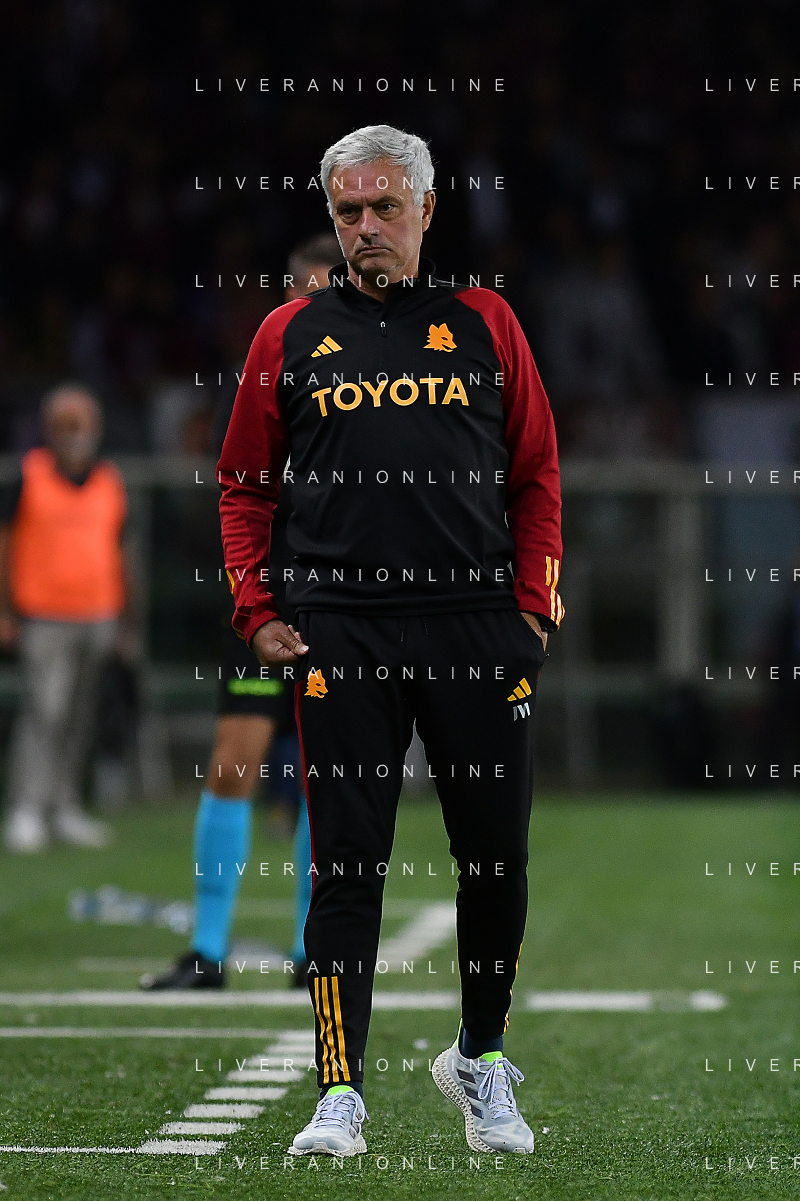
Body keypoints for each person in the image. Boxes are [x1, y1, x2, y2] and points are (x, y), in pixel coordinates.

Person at [218, 125, 564, 1157]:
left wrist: (533, 608)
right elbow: (242, 484)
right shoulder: (286, 334)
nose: (365, 227)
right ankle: (339, 1090)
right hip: (341, 631)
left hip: (475, 626)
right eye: (347, 212)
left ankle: (481, 1057)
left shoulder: (486, 322)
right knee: (346, 865)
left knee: (494, 858)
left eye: (383, 208)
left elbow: (536, 474)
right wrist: (256, 607)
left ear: (425, 210)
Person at [142, 235, 342, 991]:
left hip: (342, 599)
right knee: (233, 763)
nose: (320, 306)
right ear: (288, 296)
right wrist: (253, 598)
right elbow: (238, 487)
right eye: (309, 292)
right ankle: (207, 952)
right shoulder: (259, 375)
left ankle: (311, 953)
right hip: (271, 596)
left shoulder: (377, 378)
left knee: (327, 777)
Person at [0, 384, 129, 852]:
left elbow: (122, 550)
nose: (75, 433)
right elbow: (5, 545)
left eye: (82, 423)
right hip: (43, 616)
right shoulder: (27, 476)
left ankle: (64, 805)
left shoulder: (110, 480)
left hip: (99, 614)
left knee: (79, 715)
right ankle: (26, 808)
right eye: (65, 424)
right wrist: (5, 611)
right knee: (44, 713)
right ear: (48, 429)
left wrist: (125, 620)